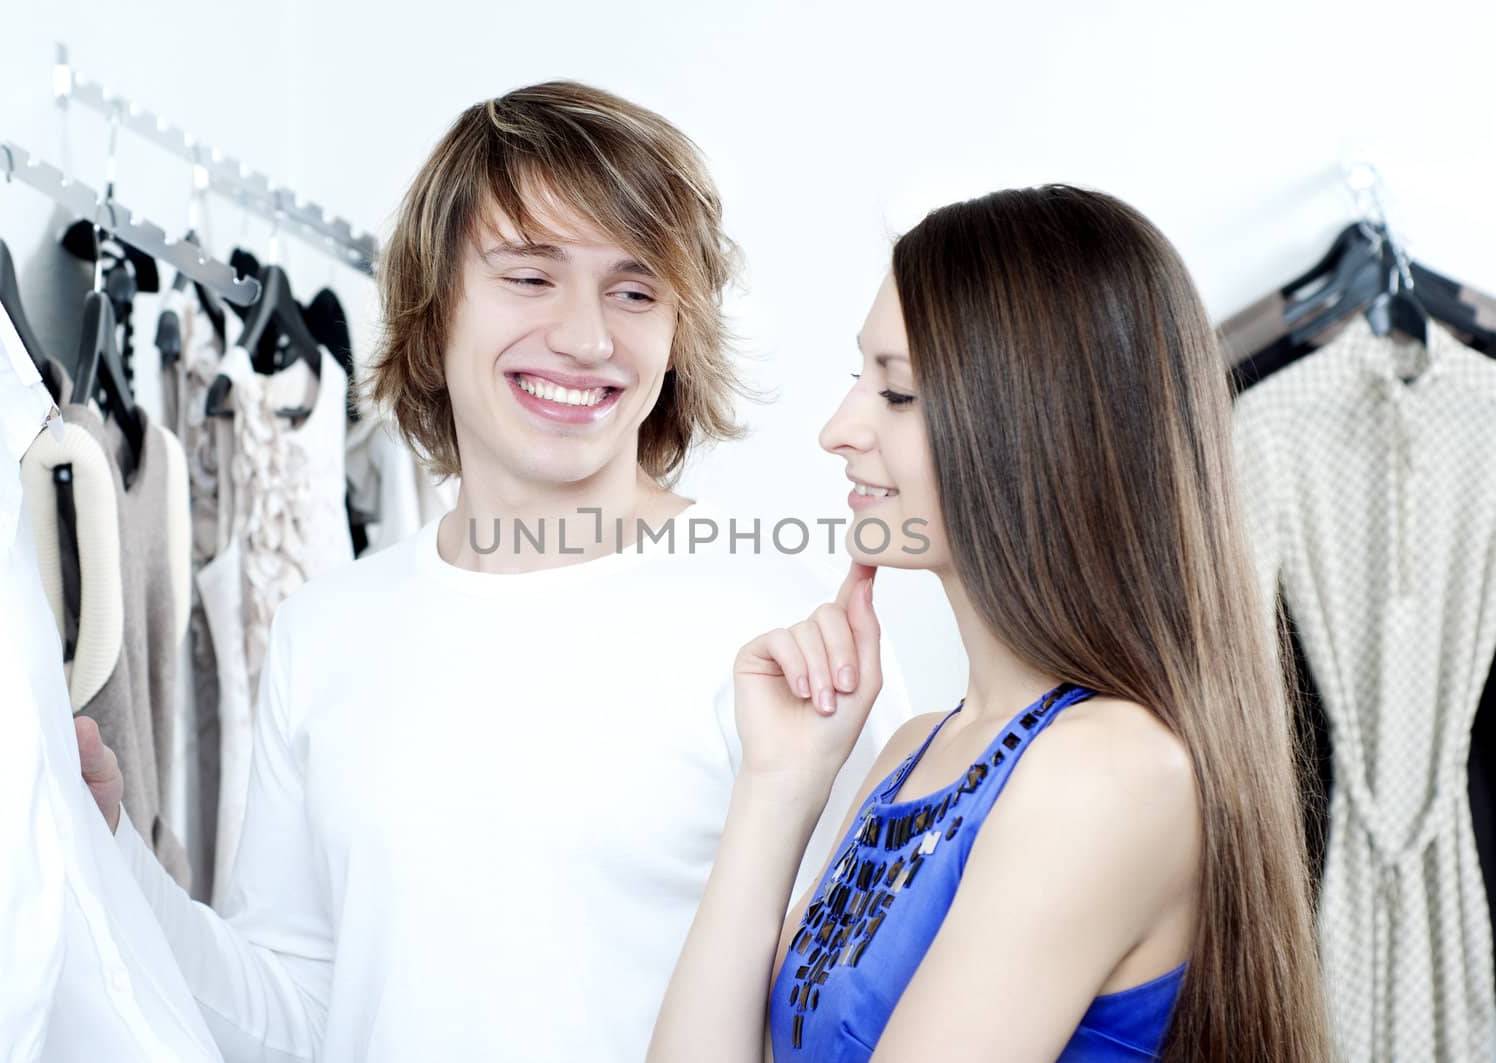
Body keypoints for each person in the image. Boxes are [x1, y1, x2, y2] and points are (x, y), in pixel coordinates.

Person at [75, 81, 912, 1061]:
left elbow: (854, 1020)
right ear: (435, 312)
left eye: (635, 289)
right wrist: (110, 849)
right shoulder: (328, 627)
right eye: (529, 276)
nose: (587, 337)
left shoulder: (786, 623)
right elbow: (295, 1019)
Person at [647, 186, 1332, 1062]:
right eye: (857, 379)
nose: (836, 429)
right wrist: (778, 788)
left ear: (1039, 425)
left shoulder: (1108, 768)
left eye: (894, 393)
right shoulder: (914, 753)